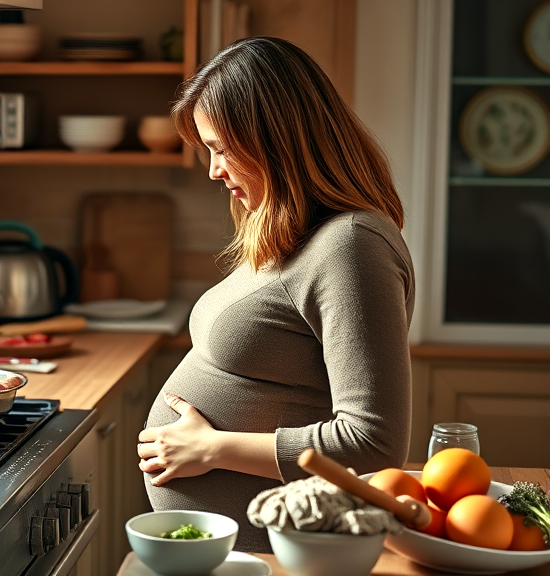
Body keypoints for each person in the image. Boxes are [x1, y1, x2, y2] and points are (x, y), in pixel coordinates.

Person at [136, 36, 415, 553]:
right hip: (232, 552)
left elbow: (374, 445)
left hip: (282, 554)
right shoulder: (290, 231)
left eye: (220, 148)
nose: (215, 170)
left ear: (275, 138)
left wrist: (214, 449)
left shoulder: (352, 246)